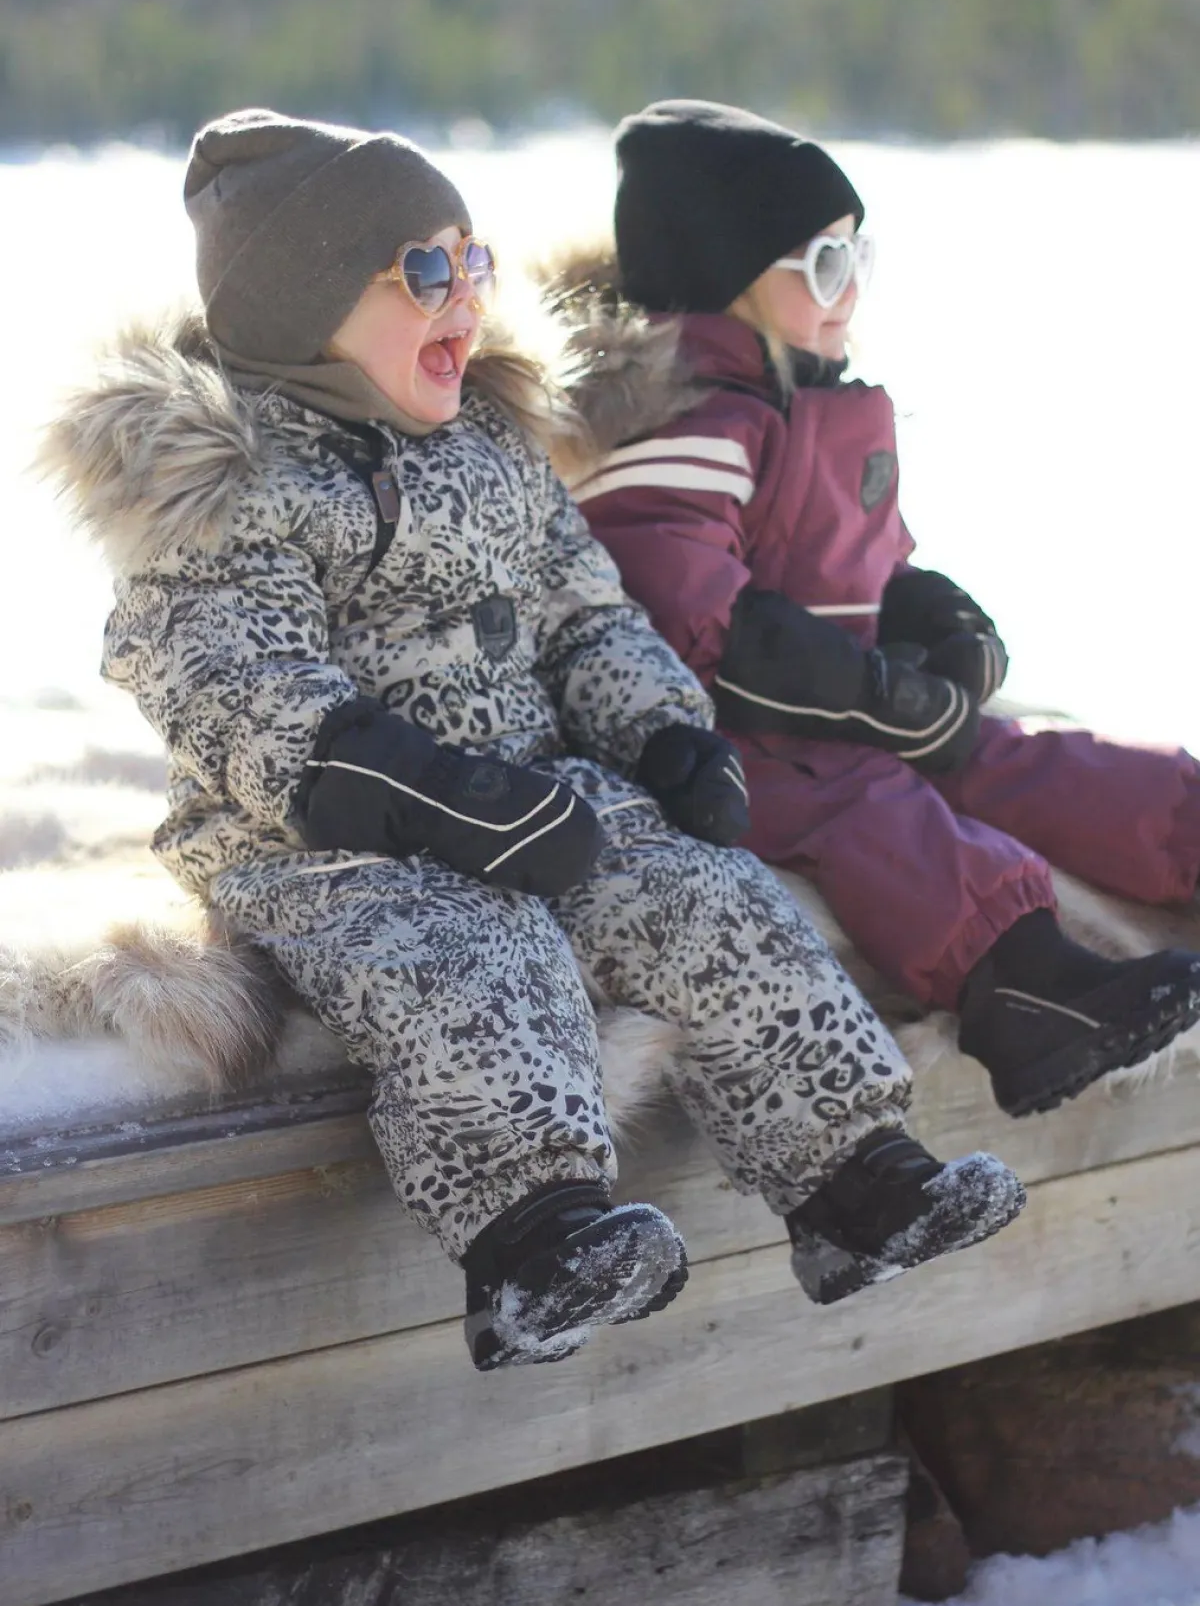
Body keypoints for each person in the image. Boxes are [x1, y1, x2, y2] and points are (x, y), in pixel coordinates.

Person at [42, 108, 1024, 1371]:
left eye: (474, 261)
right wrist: (420, 792)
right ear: (301, 305)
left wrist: (663, 732)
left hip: (536, 790)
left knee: (709, 898)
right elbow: (234, 683)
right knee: (477, 951)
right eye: (425, 272)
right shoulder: (225, 484)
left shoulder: (494, 448)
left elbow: (580, 613)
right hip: (323, 838)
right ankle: (534, 1241)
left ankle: (856, 1181)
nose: (466, 300)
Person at [564, 98, 1200, 1120]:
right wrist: (874, 698)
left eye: (859, 255)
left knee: (1008, 755)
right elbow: (691, 618)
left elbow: (874, 565)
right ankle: (1024, 987)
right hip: (725, 740)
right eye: (823, 265)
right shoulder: (678, 424)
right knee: (869, 806)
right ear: (727, 278)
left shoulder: (813, 399)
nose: (851, 288)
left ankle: (1182, 833)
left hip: (840, 706)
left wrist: (945, 630)